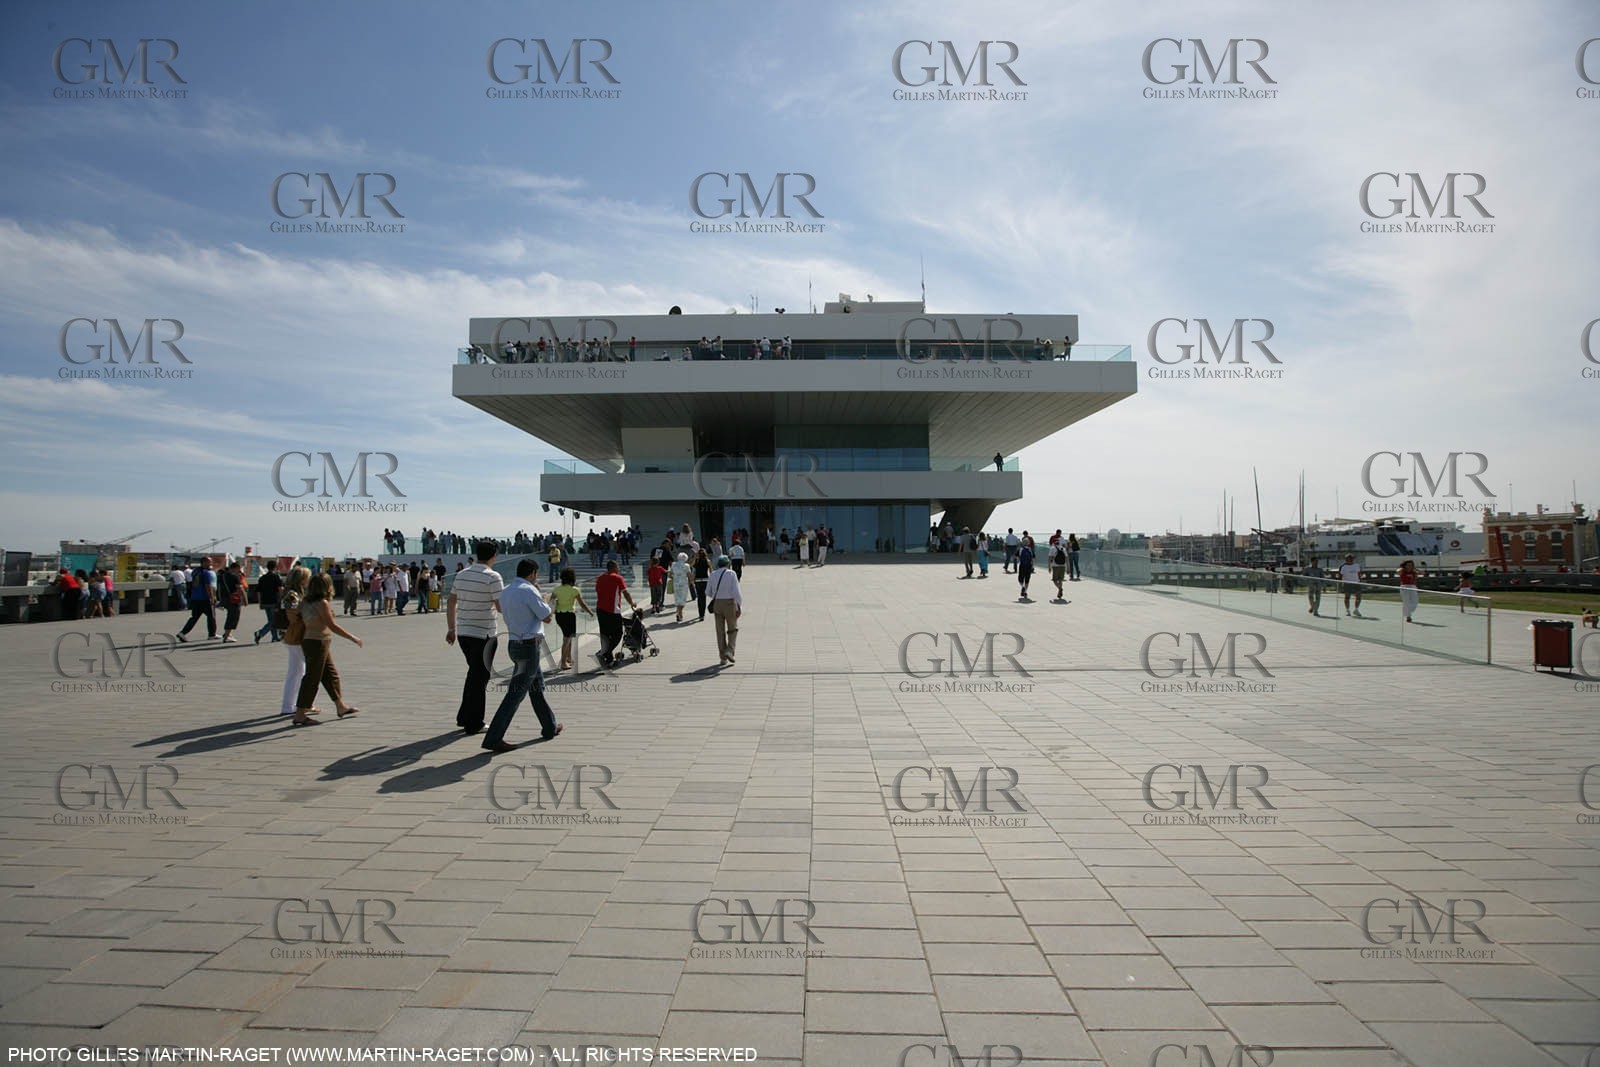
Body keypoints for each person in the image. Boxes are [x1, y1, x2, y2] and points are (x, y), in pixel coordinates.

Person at [483, 560, 563, 752]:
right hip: (528, 646)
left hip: (514, 643)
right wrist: (547, 600)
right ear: (533, 573)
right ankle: (493, 737)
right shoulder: (529, 590)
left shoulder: (508, 590)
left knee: (536, 688)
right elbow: (547, 616)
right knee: (515, 694)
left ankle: (549, 726)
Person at [446, 540, 504, 736]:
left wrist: (451, 628)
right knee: (480, 678)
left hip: (464, 633)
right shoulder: (493, 576)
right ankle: (474, 722)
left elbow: (451, 601)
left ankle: (464, 716)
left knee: (474, 675)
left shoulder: (462, 575)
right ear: (493, 556)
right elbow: (501, 607)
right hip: (484, 633)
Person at [293, 573, 363, 726]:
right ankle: (300, 714)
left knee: (330, 675)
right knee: (312, 678)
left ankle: (340, 706)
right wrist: (352, 637)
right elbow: (332, 626)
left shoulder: (305, 601)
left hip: (312, 641)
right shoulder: (322, 603)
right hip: (318, 642)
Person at [593, 560, 638, 670]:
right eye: (617, 566)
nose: (618, 568)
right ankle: (604, 653)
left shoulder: (600, 578)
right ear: (613, 567)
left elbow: (597, 590)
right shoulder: (617, 578)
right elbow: (625, 592)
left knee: (605, 634)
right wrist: (631, 603)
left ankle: (609, 661)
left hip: (600, 609)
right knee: (618, 633)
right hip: (612, 610)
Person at [278, 566, 311, 717]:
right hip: (296, 635)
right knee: (299, 671)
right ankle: (294, 705)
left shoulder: (293, 593)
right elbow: (293, 616)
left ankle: (293, 704)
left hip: (293, 635)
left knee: (297, 670)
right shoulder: (292, 595)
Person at [551, 567, 594, 670]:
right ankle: (563, 662)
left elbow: (551, 602)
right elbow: (582, 604)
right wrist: (590, 612)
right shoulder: (574, 590)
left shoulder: (557, 589)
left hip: (559, 616)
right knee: (567, 639)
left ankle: (568, 658)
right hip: (569, 616)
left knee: (567, 637)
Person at [708, 555, 743, 666]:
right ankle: (729, 650)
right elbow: (736, 592)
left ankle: (722, 657)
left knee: (720, 631)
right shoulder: (731, 574)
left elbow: (708, 591)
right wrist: (738, 606)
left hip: (717, 604)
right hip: (729, 603)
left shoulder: (713, 574)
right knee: (733, 628)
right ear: (728, 564)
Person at [177, 557, 218, 642]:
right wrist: (212, 597)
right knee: (211, 616)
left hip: (195, 598)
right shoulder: (206, 573)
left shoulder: (195, 571)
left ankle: (183, 632)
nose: (211, 563)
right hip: (205, 598)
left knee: (194, 617)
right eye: (209, 562)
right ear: (204, 562)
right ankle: (212, 634)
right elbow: (208, 586)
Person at [254, 560, 284, 644]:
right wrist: (282, 598)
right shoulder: (276, 577)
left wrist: (260, 603)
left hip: (265, 601)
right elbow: (280, 589)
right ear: (275, 567)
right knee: (273, 621)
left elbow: (258, 592)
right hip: (274, 601)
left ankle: (275, 637)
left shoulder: (262, 578)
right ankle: (260, 633)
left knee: (271, 620)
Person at [671, 551, 691, 623]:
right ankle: (680, 613)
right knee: (683, 598)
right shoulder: (686, 565)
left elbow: (671, 574)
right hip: (683, 583)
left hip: (676, 582)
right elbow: (689, 574)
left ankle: (678, 612)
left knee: (677, 598)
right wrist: (691, 582)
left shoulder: (673, 564)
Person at [692, 548, 711, 620]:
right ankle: (702, 614)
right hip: (705, 580)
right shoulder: (708, 561)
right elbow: (711, 571)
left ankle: (700, 614)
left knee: (699, 598)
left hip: (697, 580)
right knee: (703, 597)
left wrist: (695, 557)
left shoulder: (696, 561)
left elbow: (691, 565)